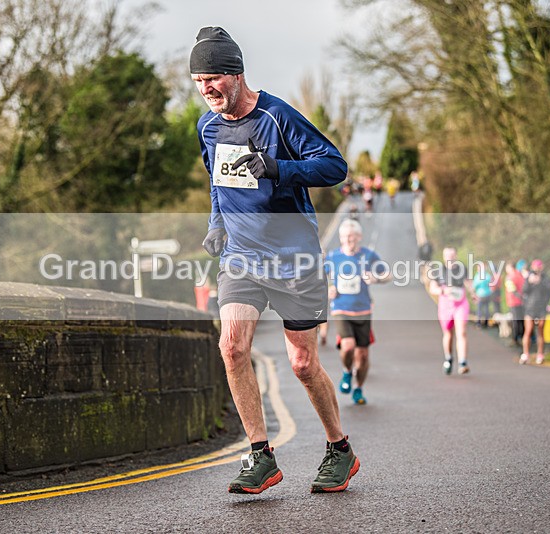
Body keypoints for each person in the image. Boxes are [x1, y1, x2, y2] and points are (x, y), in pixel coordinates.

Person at [191, 27, 359, 495]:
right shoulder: (207, 127)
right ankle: (260, 455)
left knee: (303, 364)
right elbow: (217, 183)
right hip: (241, 260)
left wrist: (281, 168)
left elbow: (335, 166)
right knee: (232, 347)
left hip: (294, 260)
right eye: (198, 81)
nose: (206, 90)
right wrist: (217, 223)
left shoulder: (277, 116)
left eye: (213, 79)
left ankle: (339, 450)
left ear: (237, 73)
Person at [324, 219, 391, 405]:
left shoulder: (368, 256)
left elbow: (388, 275)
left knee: (362, 355)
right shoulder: (332, 257)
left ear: (359, 237)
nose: (348, 240)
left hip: (363, 310)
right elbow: (320, 277)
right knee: (347, 346)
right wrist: (327, 288)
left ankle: (359, 388)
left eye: (352, 237)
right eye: (345, 237)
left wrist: (376, 279)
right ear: (340, 238)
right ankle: (347, 372)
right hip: (340, 309)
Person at [429, 247, 473, 375]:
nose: (450, 258)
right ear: (444, 257)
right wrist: (443, 291)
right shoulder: (439, 271)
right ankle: (448, 359)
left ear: (456, 256)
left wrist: (473, 293)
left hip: (460, 303)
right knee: (448, 334)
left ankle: (463, 363)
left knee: (461, 332)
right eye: (447, 255)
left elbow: (468, 283)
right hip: (446, 305)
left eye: (452, 255)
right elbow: (433, 288)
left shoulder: (461, 268)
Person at [520, 259, 550, 364]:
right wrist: (530, 282)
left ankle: (540, 354)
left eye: (539, 266)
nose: (537, 269)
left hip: (541, 308)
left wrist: (540, 282)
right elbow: (524, 290)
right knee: (528, 330)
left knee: (540, 331)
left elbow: (548, 291)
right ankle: (525, 354)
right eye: (535, 266)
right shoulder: (529, 277)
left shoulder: (545, 278)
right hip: (530, 308)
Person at [504, 261, 525, 347]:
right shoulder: (520, 275)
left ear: (510, 267)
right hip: (521, 302)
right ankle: (522, 337)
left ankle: (515, 339)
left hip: (514, 301)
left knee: (515, 321)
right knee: (521, 321)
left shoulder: (510, 277)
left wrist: (518, 296)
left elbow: (511, 289)